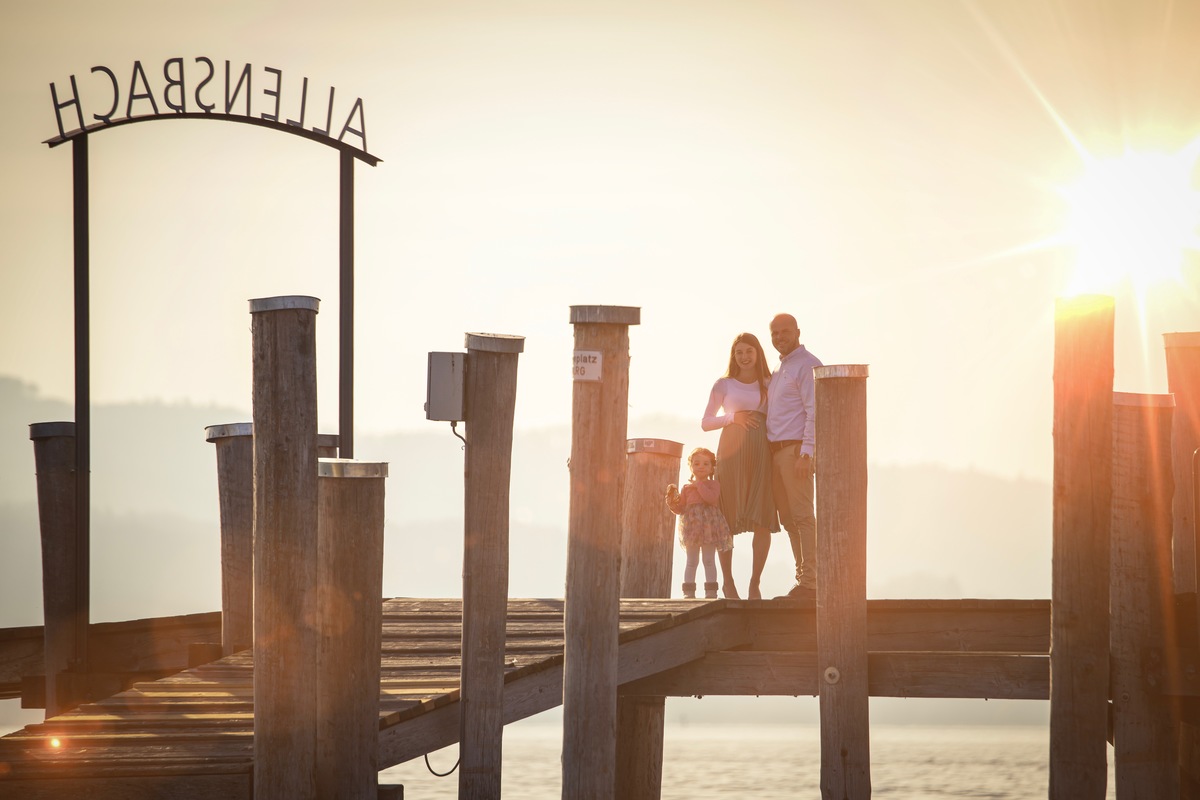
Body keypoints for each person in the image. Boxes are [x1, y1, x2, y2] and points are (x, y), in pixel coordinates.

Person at [702, 332, 779, 600]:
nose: (744, 357)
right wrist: (734, 417)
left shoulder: (769, 383)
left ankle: (755, 582)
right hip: (731, 455)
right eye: (739, 352)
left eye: (749, 351)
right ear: (733, 356)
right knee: (726, 519)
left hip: (761, 454)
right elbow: (706, 422)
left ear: (758, 354)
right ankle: (728, 582)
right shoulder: (723, 384)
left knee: (763, 517)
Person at [766, 313, 823, 598]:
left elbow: (815, 410)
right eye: (774, 333)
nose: (779, 337)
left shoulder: (807, 365)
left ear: (798, 332)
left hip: (795, 451)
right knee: (788, 518)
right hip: (776, 453)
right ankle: (803, 578)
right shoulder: (780, 369)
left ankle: (811, 581)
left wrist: (806, 453)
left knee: (802, 516)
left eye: (785, 332)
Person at [665, 447, 734, 599]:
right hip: (692, 529)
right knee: (691, 561)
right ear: (691, 467)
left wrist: (698, 484)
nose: (701, 467)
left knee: (709, 560)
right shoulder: (686, 488)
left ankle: (711, 592)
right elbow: (681, 508)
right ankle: (688, 593)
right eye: (696, 464)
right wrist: (672, 503)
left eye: (705, 464)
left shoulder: (713, 485)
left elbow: (710, 498)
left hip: (709, 528)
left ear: (711, 468)